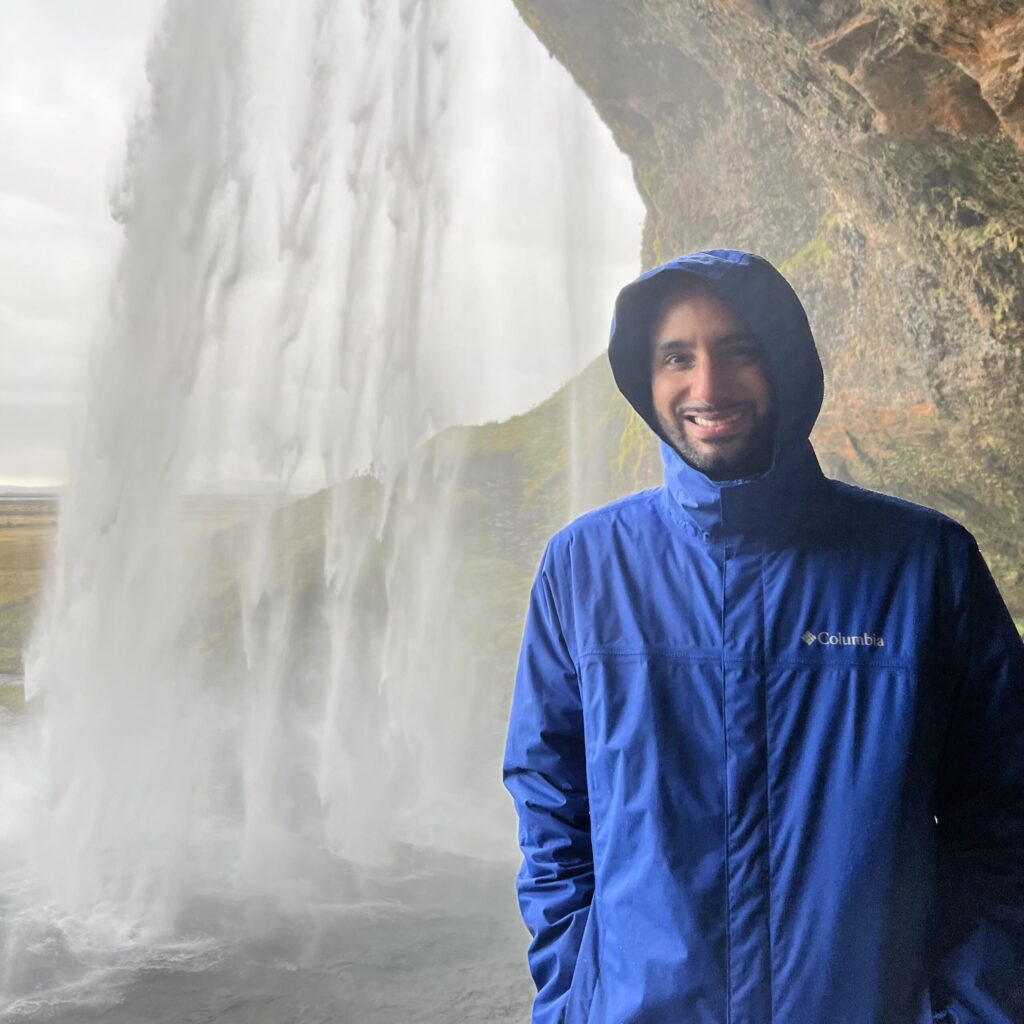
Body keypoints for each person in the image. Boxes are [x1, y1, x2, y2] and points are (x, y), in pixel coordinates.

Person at [502, 249, 1024, 1024]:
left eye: (738, 349)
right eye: (677, 357)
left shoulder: (925, 565)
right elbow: (552, 816)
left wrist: (975, 1010)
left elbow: (1005, 819)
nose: (708, 386)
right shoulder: (582, 568)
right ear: (645, 378)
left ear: (785, 361)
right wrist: (574, 1001)